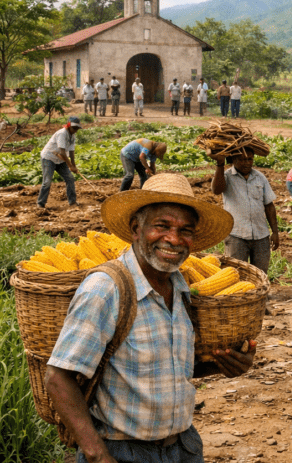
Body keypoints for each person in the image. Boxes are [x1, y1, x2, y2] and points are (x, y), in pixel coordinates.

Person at [45, 173, 255, 463]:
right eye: (162, 226)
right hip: (123, 451)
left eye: (185, 231)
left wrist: (225, 365)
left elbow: (167, 369)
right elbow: (58, 377)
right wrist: (96, 455)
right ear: (136, 229)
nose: (173, 239)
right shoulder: (106, 289)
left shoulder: (180, 287)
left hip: (184, 447)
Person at [211, 148, 279, 273]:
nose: (247, 162)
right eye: (242, 159)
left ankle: (258, 293)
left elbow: (269, 206)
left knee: (260, 273)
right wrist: (220, 164)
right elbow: (216, 190)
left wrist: (275, 232)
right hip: (236, 235)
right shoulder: (226, 176)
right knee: (235, 273)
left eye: (250, 159)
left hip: (261, 235)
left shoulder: (260, 177)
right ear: (233, 160)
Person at [38, 116, 82, 208]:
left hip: (60, 159)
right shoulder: (62, 133)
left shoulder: (72, 136)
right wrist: (70, 166)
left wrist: (74, 165)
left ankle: (72, 202)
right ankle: (41, 204)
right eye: (74, 128)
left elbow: (71, 152)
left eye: (77, 128)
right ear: (68, 126)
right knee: (47, 182)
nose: (75, 130)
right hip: (49, 158)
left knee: (70, 178)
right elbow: (62, 152)